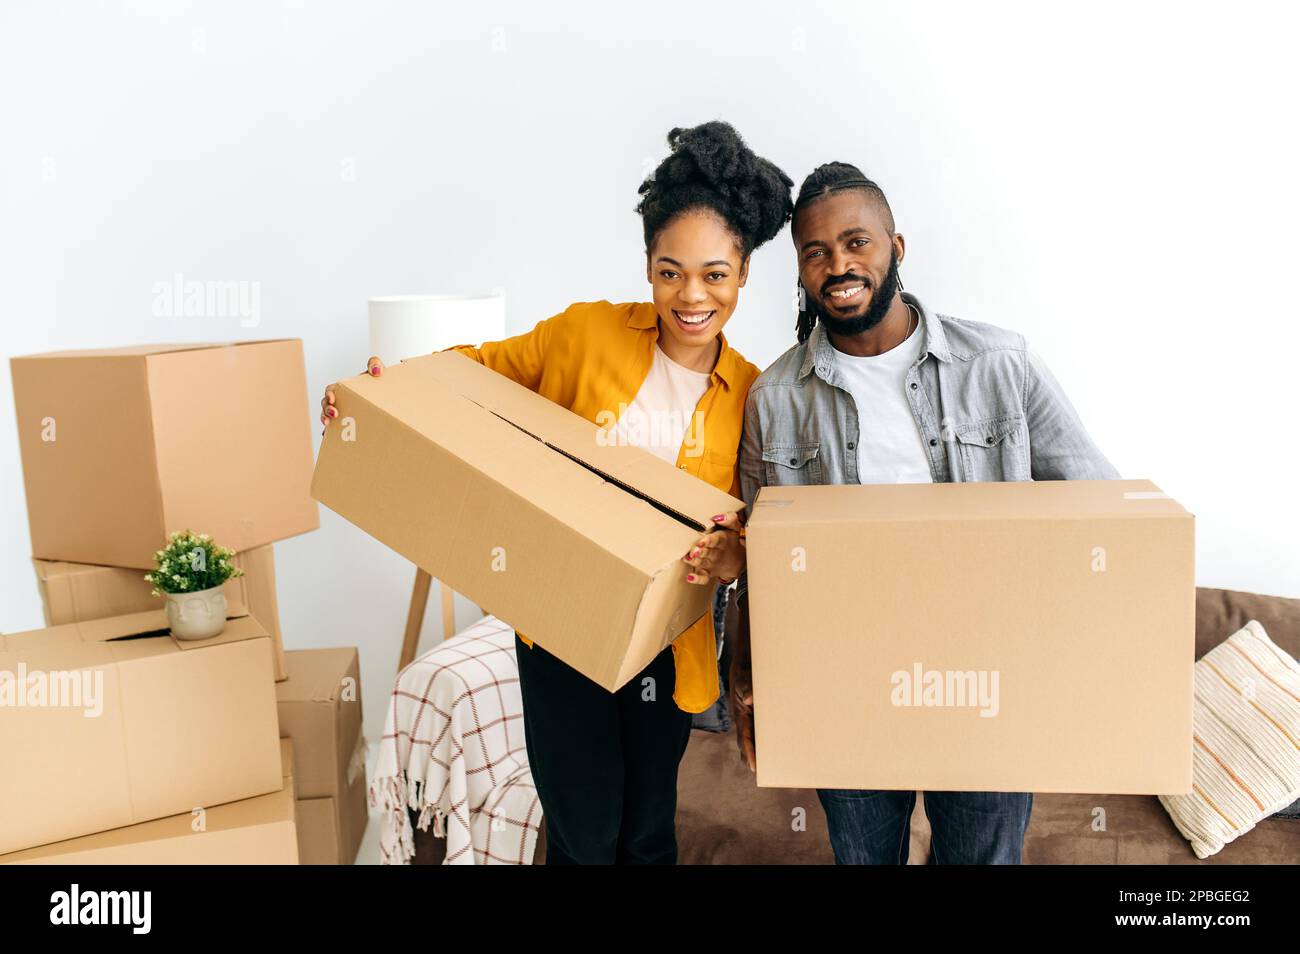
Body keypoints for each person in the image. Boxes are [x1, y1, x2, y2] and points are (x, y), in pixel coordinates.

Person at [322, 121, 793, 863]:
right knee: (584, 829)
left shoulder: (755, 394)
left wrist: (735, 555)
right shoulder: (584, 334)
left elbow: (759, 526)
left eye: (714, 273)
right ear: (647, 268)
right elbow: (473, 375)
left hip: (668, 643)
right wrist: (385, 391)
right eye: (670, 271)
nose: (691, 295)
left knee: (646, 829)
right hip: (561, 630)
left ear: (742, 276)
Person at [729, 161, 1119, 865]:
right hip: (844, 682)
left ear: (895, 248)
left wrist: (1063, 656)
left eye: (856, 243)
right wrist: (748, 679)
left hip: (986, 681)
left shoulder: (1000, 364)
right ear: (800, 271)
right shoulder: (776, 397)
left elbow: (1098, 506)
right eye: (815, 252)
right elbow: (760, 559)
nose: (838, 265)